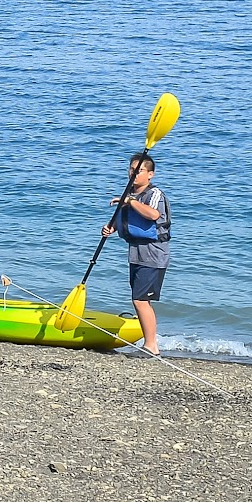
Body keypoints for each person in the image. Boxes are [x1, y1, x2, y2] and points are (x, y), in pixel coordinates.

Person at [103, 150, 170, 355]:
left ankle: (151, 346)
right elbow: (124, 218)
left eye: (139, 171)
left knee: (140, 300)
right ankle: (149, 344)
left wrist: (130, 202)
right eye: (131, 170)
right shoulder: (129, 195)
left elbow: (153, 214)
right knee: (140, 298)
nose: (134, 175)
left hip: (153, 254)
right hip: (136, 253)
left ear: (150, 174)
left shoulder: (153, 193)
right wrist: (111, 227)